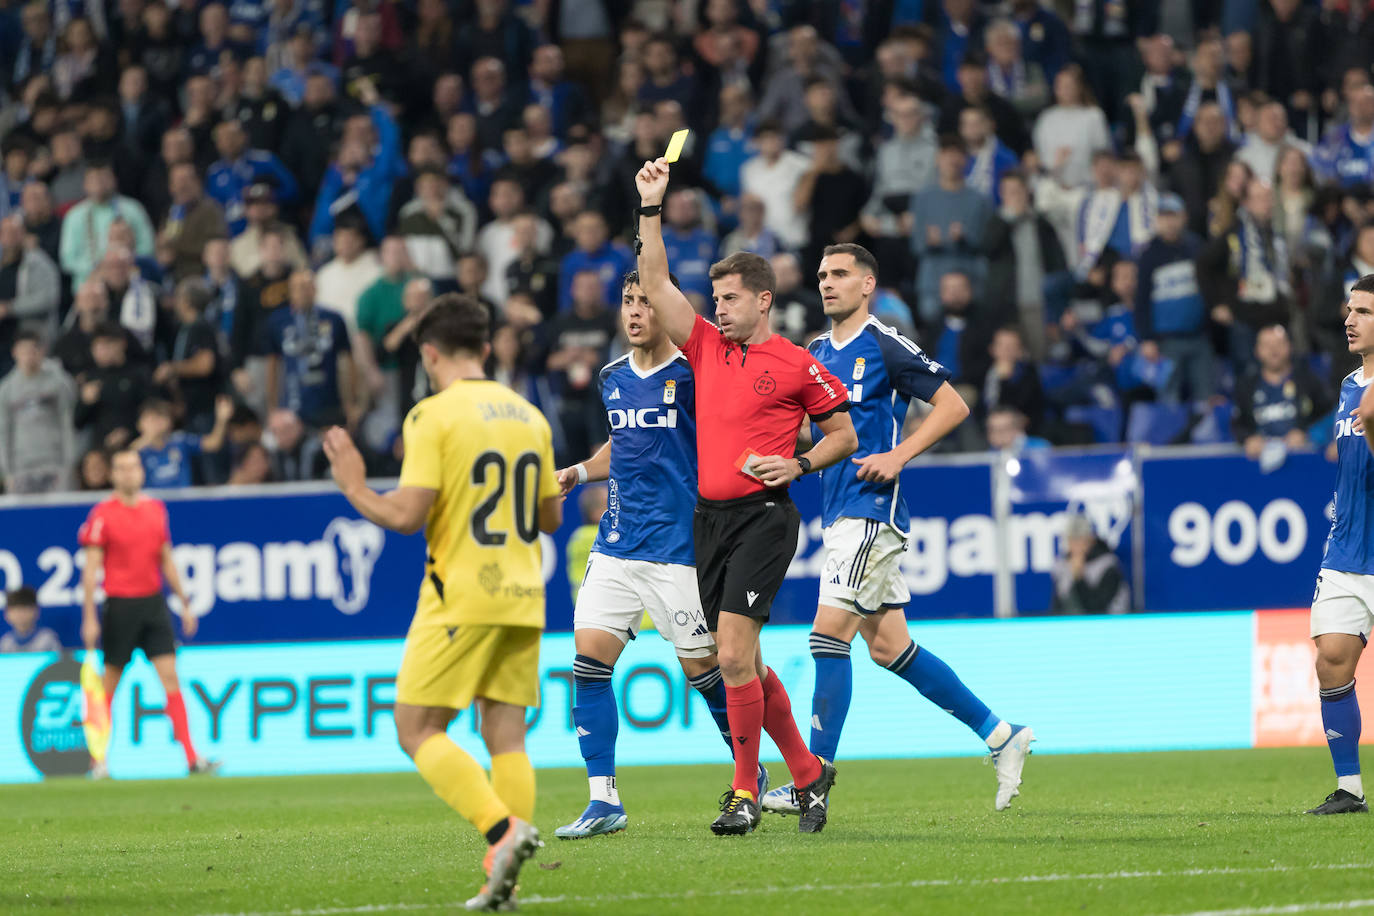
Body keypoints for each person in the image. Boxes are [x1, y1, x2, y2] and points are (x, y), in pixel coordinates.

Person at [760, 243, 1033, 818]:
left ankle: (812, 776)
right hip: (835, 512)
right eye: (821, 275)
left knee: (826, 637)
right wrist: (780, 454)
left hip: (871, 512)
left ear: (867, 285)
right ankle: (1001, 734)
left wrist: (900, 454)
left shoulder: (885, 343)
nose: (826, 283)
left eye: (839, 274)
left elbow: (954, 406)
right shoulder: (811, 352)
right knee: (889, 648)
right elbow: (824, 435)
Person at [635, 156, 858, 835]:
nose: (718, 308)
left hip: (764, 518)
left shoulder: (795, 361)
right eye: (716, 297)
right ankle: (810, 773)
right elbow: (653, 281)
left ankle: (743, 792)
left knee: (731, 655)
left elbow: (844, 433)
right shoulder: (703, 347)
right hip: (709, 521)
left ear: (762, 299)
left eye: (730, 298)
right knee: (745, 662)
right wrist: (650, 207)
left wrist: (799, 464)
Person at [322, 293, 560, 908]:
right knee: (506, 736)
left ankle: (503, 830)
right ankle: (505, 881)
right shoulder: (529, 415)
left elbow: (405, 516)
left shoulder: (433, 415)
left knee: (415, 726)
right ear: (485, 348)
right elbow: (550, 516)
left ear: (429, 352)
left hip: (461, 595)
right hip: (524, 594)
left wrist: (353, 486)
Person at [551, 271, 769, 840]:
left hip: (679, 551)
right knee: (588, 664)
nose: (635, 310)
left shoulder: (696, 374)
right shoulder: (612, 377)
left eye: (646, 301)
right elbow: (622, 445)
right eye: (627, 301)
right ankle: (604, 800)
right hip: (618, 544)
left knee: (703, 672)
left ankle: (751, 772)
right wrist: (576, 472)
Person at [78, 449, 218, 778]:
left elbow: (166, 559)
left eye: (134, 467)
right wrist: (89, 616)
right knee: (109, 684)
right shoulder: (102, 514)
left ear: (141, 472)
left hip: (153, 603)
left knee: (170, 677)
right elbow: (91, 570)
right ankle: (98, 760)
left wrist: (184, 602)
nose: (129, 473)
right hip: (120, 605)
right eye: (122, 468)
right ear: (113, 475)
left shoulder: (155, 510)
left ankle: (191, 757)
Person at [1305, 274, 1374, 815]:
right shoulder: (1351, 386)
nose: (1349, 319)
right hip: (1348, 550)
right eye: (1350, 310)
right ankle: (1349, 789)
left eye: (1364, 312)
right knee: (1332, 659)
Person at [1232, 324, 1328, 459]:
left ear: (1290, 346)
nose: (1273, 349)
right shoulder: (1246, 386)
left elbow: (1328, 416)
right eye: (1266, 345)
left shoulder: (1309, 381)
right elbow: (1238, 423)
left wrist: (1307, 434)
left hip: (1304, 460)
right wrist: (1248, 439)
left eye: (1279, 343)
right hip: (1258, 463)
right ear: (1257, 350)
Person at [0, 329, 77, 494]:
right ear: (15, 352)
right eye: (24, 350)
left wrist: (69, 464)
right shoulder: (6, 389)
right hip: (21, 466)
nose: (29, 355)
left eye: (33, 350)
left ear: (42, 351)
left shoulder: (57, 382)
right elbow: (4, 432)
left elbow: (67, 422)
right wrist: (7, 472)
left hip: (54, 462)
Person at [130, 396, 232, 489]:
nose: (157, 422)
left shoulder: (180, 440)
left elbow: (213, 444)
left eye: (161, 417)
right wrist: (149, 437)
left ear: (170, 421)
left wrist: (221, 419)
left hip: (182, 501)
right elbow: (127, 456)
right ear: (139, 424)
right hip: (151, 503)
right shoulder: (137, 450)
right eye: (151, 419)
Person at [1049, 514, 1130, 614]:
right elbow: (1057, 607)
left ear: (1090, 540)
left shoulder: (1107, 565)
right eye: (1071, 541)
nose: (1075, 547)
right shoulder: (1062, 566)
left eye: (1080, 541)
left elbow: (1097, 608)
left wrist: (1079, 577)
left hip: (1108, 624)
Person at [1, 585, 62, 653]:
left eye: (24, 609)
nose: (20, 615)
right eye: (15, 610)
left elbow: (58, 662)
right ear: (7, 614)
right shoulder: (5, 643)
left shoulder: (47, 639)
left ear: (36, 611)